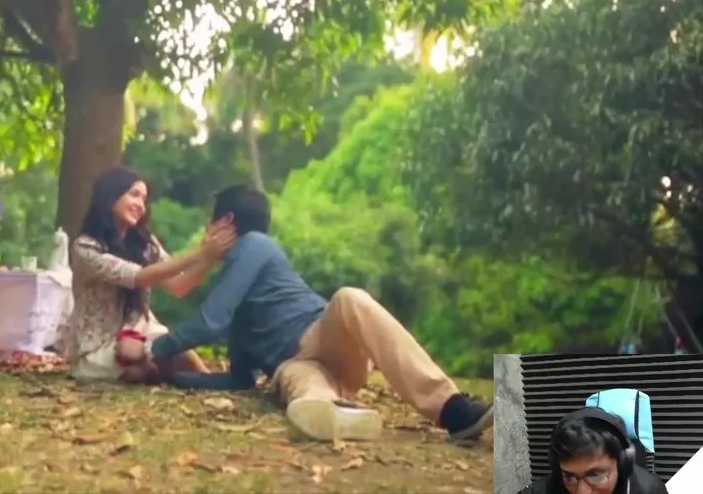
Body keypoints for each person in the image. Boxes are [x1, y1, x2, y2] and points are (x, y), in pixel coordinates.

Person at [145, 184, 493, 442]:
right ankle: (338, 413)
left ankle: (451, 409)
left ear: (227, 221)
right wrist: (174, 379)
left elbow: (210, 321)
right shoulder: (236, 298)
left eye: (210, 223)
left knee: (349, 298)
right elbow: (241, 380)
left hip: (324, 335)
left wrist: (154, 349)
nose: (206, 233)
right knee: (300, 384)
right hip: (299, 365)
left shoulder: (255, 245)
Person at [62, 166, 236, 383]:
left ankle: (209, 382)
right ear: (110, 195)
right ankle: (144, 367)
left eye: (144, 200)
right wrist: (200, 252)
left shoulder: (145, 244)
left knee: (179, 352)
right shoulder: (85, 247)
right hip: (97, 344)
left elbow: (179, 286)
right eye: (134, 195)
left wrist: (210, 258)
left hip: (141, 330)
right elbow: (139, 277)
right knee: (140, 367)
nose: (141, 206)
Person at [517, 408, 668, 494]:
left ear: (622, 464)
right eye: (570, 477)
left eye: (595, 475)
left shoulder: (650, 489)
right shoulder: (542, 490)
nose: (582, 492)